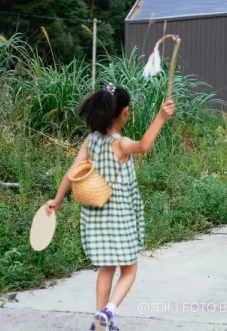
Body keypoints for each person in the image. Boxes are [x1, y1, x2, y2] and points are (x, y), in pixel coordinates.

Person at [45, 83, 175, 331]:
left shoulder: (90, 140)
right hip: (120, 215)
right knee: (129, 268)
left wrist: (57, 199)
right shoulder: (120, 143)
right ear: (124, 113)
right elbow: (144, 146)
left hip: (95, 214)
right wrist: (161, 117)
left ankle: (99, 322)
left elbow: (73, 172)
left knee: (107, 266)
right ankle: (109, 310)